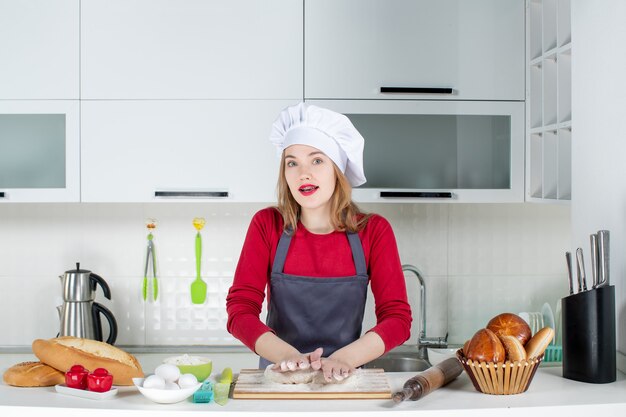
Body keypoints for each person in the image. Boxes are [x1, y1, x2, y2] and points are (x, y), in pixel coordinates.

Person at [226, 102, 412, 382]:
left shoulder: (373, 231)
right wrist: (287, 357)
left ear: (337, 169)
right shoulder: (267, 225)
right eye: (292, 162)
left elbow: (397, 319)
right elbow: (240, 310)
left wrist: (344, 359)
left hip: (344, 379)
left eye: (317, 160)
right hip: (280, 377)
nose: (303, 173)